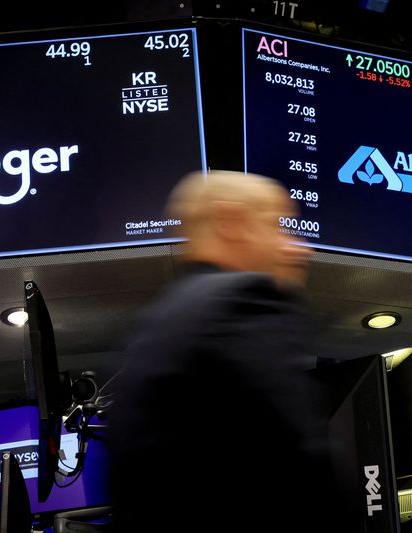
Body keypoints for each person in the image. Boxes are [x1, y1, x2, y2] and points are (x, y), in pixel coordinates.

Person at [107, 170, 328, 533]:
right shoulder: (245, 302)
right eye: (278, 226)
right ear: (231, 221)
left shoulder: (153, 326)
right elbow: (296, 469)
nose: (298, 248)